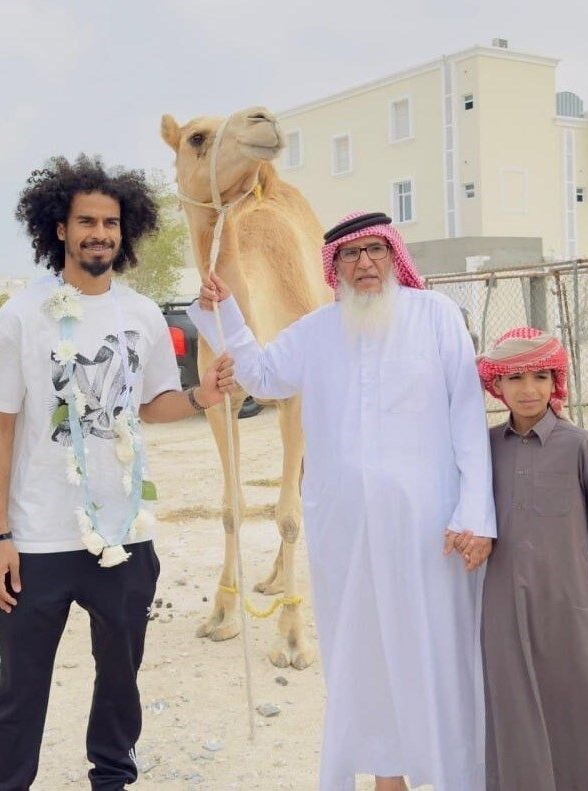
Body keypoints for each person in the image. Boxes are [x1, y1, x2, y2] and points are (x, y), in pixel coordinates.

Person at [189, 210, 496, 791]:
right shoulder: (317, 330)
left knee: (436, 649)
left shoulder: (436, 316)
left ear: (394, 255)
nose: (364, 263)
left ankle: (454, 775)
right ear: (335, 267)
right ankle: (387, 777)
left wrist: (476, 515)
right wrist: (223, 310)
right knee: (365, 652)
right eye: (351, 254)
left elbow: (466, 417)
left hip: (431, 528)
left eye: (375, 250)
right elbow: (261, 376)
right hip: (346, 531)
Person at [0, 155, 234, 791]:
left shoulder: (140, 314)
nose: (99, 234)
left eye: (110, 223)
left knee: (120, 681)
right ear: (60, 228)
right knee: (20, 688)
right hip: (37, 539)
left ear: (124, 230)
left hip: (125, 534)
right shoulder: (21, 315)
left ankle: (112, 779)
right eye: (86, 221)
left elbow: (151, 404)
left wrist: (201, 397)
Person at [470, 327, 588, 791]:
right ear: (497, 385)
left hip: (571, 603)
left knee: (584, 707)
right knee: (512, 708)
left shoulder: (579, 444)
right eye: (516, 378)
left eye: (540, 377)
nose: (529, 389)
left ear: (555, 381)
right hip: (503, 605)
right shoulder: (484, 447)